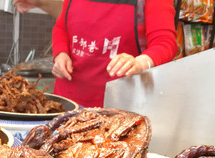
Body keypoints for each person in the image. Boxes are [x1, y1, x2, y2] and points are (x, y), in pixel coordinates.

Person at [14, 0, 177, 107]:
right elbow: (61, 27)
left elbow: (165, 43)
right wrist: (61, 54)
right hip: (66, 105)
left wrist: (140, 62)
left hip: (117, 111)